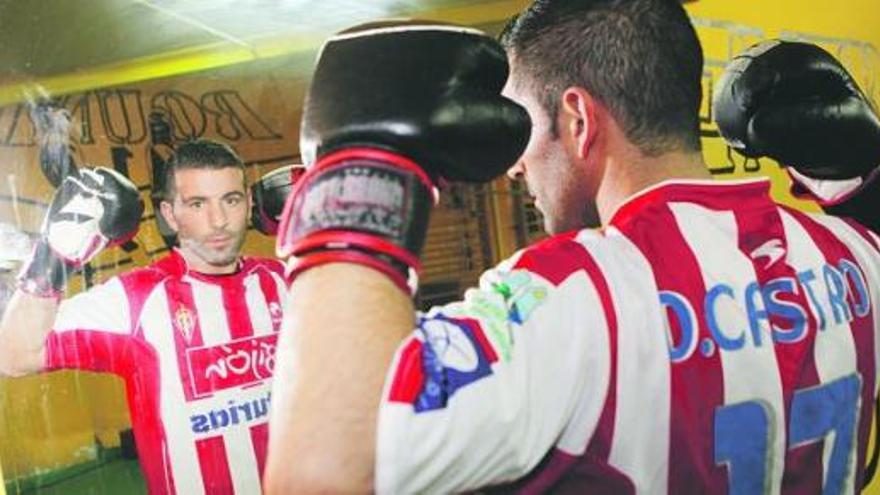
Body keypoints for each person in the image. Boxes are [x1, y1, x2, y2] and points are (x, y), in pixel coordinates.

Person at [264, 3, 880, 494]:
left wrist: (360, 173)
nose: (514, 167)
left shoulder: (569, 297)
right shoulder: (850, 250)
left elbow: (320, 473)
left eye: (523, 124)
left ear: (577, 120)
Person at [0, 138, 290, 494]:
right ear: (170, 214)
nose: (218, 221)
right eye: (197, 204)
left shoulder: (288, 283)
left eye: (230, 200)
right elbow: (13, 355)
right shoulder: (135, 301)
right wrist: (53, 255)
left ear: (249, 204)